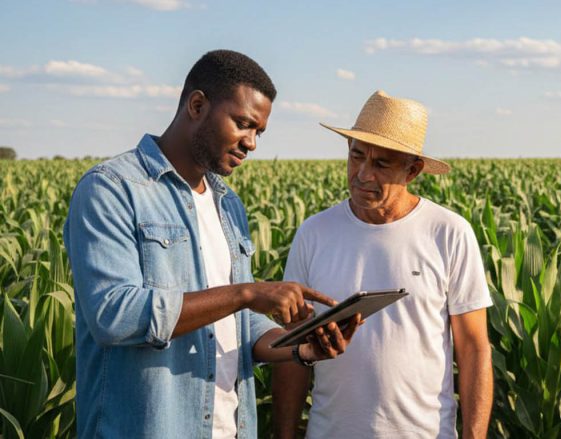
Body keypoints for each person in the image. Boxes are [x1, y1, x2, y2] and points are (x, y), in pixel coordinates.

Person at [63, 49, 360, 438]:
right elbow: (113, 315)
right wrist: (246, 293)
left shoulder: (227, 205)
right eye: (243, 124)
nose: (252, 143)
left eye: (259, 132)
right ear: (198, 105)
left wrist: (300, 348)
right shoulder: (112, 189)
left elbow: (236, 325)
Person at [273, 90, 494, 438]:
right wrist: (284, 433)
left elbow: (474, 348)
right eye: (357, 156)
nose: (362, 174)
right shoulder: (314, 233)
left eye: (381, 164)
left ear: (413, 170)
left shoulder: (449, 233)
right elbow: (292, 343)